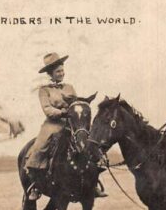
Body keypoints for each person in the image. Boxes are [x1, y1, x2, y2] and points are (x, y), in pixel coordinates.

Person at [25, 53, 107, 200]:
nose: (61, 73)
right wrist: (62, 112)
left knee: (87, 142)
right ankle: (36, 184)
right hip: (53, 124)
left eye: (62, 70)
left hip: (71, 123)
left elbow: (75, 104)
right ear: (51, 74)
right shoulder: (44, 90)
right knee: (40, 146)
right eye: (58, 71)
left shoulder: (70, 87)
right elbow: (47, 109)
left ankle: (94, 182)